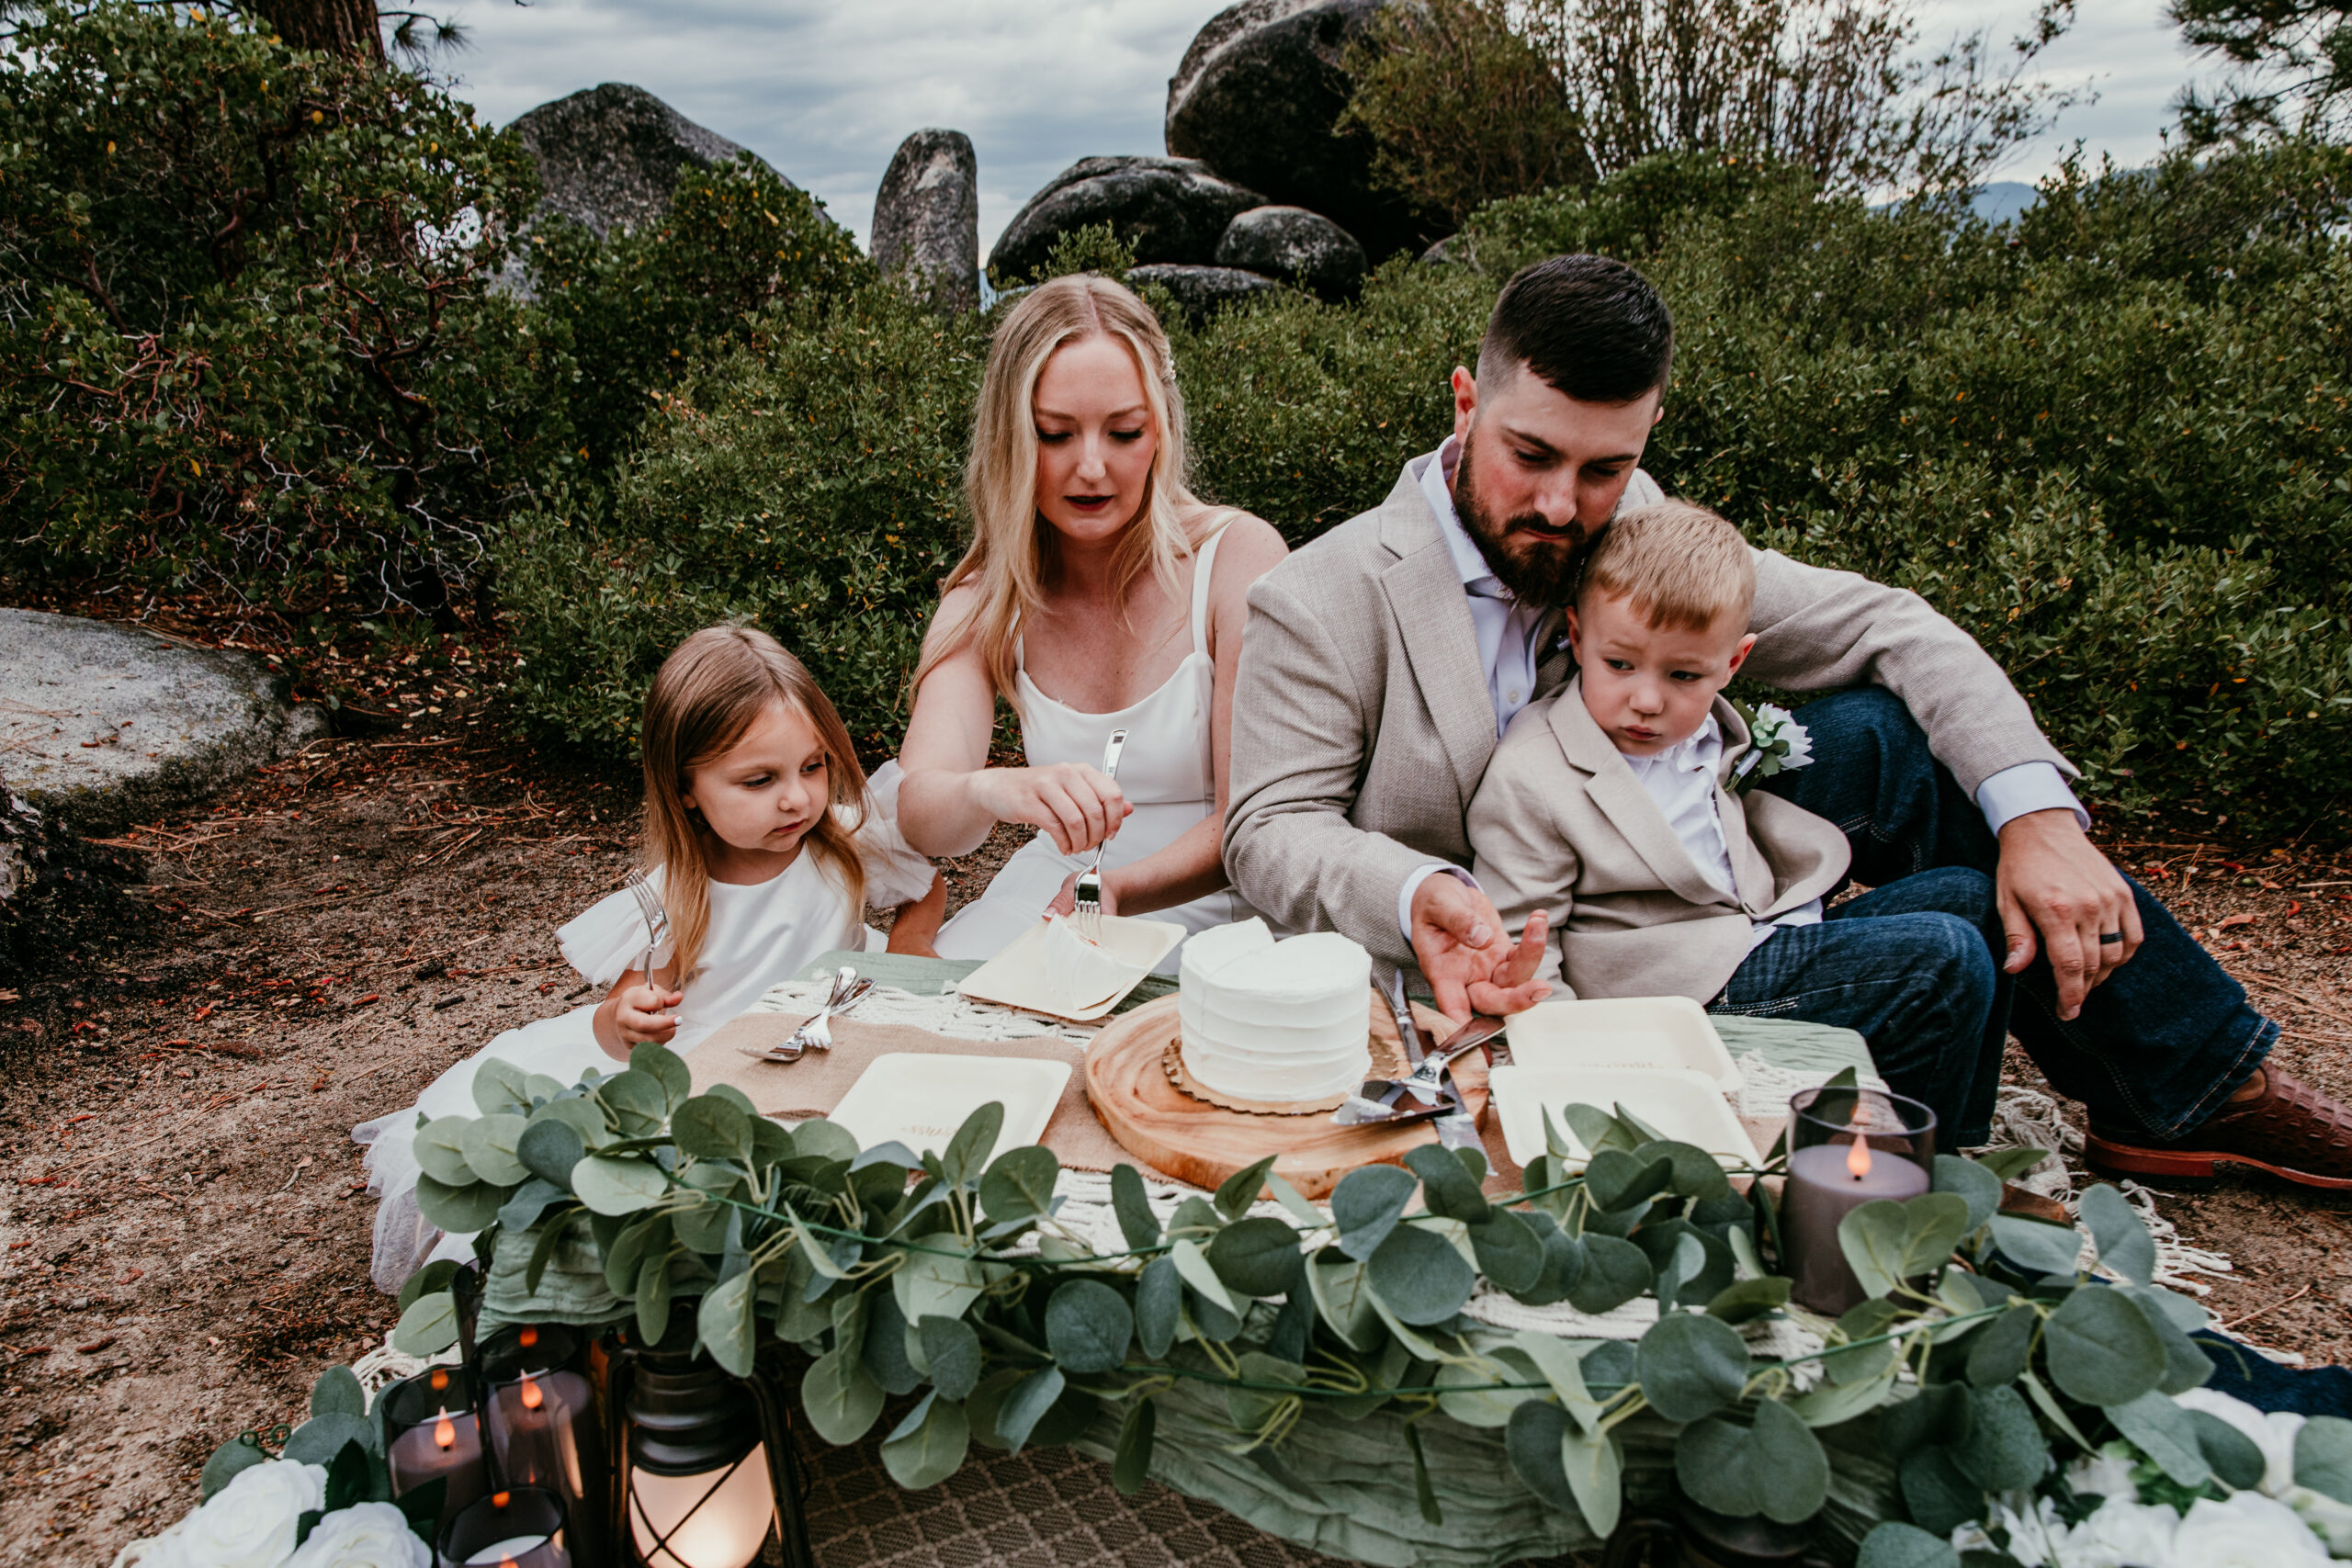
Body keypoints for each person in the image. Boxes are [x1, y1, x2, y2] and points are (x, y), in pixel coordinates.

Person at [1224, 252, 2352, 1189]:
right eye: (1530, 456)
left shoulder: (1633, 525)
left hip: (1669, 842)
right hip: (1516, 925)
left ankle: (2184, 1086)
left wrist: (2039, 819)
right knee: (1948, 924)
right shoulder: (1323, 597)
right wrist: (1420, 892)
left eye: (1607, 466)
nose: (1563, 505)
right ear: (1467, 403)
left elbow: (1889, 624)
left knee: (1896, 743)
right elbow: (1269, 830)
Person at [354, 625, 944, 1292]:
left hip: (835, 1037)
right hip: (722, 1073)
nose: (796, 797)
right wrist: (628, 1019)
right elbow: (618, 1020)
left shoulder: (837, 840)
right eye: (759, 780)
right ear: (686, 786)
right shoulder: (677, 897)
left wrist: (909, 946)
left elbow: (925, 883)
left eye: (812, 766)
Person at [1467, 500, 2011, 1142]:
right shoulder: (1535, 771)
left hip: (1749, 926)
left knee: (1976, 899)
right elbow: (1521, 942)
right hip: (1680, 990)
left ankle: (1957, 1142)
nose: (1646, 700)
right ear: (1578, 636)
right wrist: (1584, 1076)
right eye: (1620, 664)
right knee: (1940, 960)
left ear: (1732, 664)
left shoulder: (1704, 725)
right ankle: (1898, 1168)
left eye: (1683, 674)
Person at [895, 273, 1287, 970]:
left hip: (1218, 922)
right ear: (1011, 439)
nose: (1093, 467)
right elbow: (922, 810)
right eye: (1055, 434)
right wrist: (992, 787)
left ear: (1161, 426)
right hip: (1049, 902)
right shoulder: (988, 597)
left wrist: (1110, 889)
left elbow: (1254, 818)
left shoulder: (1237, 559)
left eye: (1125, 431)